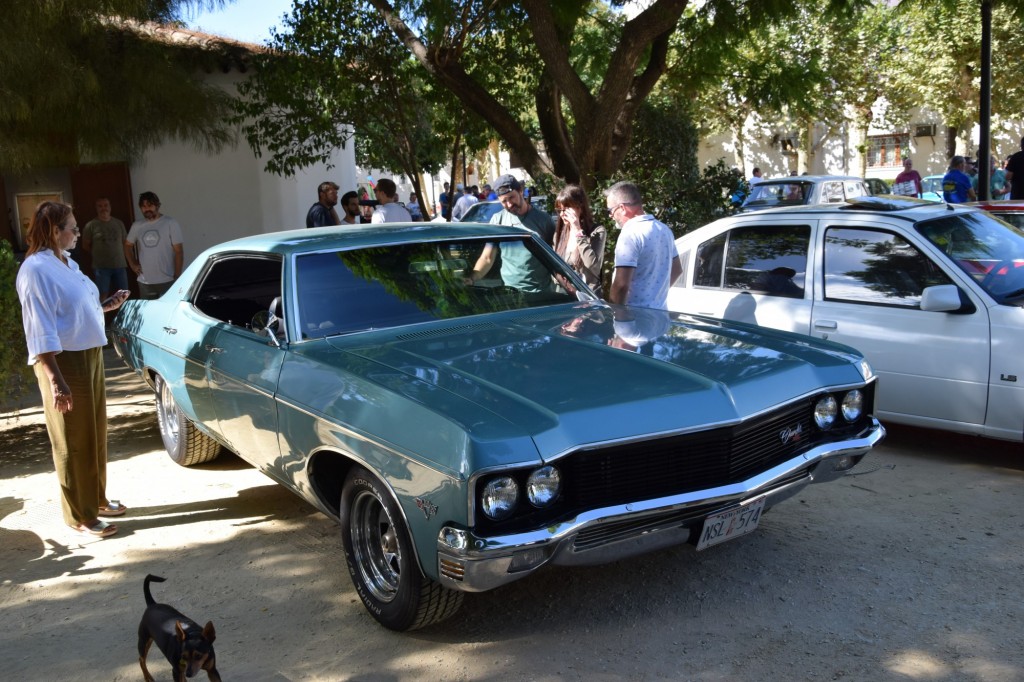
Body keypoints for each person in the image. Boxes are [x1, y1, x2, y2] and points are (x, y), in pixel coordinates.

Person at [16, 201, 131, 539]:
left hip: (89, 354)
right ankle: (80, 514)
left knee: (94, 433)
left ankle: (96, 499)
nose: (78, 233)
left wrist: (103, 306)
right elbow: (39, 326)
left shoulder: (67, 263)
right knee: (73, 439)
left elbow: (72, 309)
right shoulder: (36, 270)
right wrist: (55, 379)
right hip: (62, 361)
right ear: (55, 231)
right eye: (73, 228)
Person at [465, 174, 554, 292]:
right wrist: (472, 279)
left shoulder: (544, 220)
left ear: (520, 191)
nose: (509, 204)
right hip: (510, 292)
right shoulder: (497, 221)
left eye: (511, 197)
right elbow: (487, 257)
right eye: (504, 201)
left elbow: (555, 258)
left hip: (542, 293)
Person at [605, 181, 681, 310]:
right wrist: (654, 295)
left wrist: (615, 313)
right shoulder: (664, 229)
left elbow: (621, 285)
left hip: (635, 317)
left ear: (622, 208)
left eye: (610, 210)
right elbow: (677, 269)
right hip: (660, 315)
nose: (610, 216)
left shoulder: (630, 233)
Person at [124, 191, 184, 299]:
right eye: (143, 206)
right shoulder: (137, 226)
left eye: (150, 205)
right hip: (145, 282)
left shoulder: (170, 223)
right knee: (148, 310)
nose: (147, 209)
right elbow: (127, 246)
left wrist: (177, 276)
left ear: (157, 205)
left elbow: (178, 251)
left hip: (167, 280)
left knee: (167, 308)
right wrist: (132, 264)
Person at [552, 184, 606, 297]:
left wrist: (578, 231)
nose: (562, 214)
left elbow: (593, 266)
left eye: (566, 209)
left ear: (580, 207)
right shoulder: (560, 234)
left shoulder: (597, 231)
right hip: (565, 295)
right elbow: (554, 267)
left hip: (587, 296)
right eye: (559, 210)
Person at [81, 197, 129, 298]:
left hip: (120, 265)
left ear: (110, 207)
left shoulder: (119, 223)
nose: (103, 208)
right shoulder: (91, 225)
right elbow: (85, 245)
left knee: (123, 294)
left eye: (106, 205)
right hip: (101, 268)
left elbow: (125, 243)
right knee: (103, 294)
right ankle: (102, 310)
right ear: (96, 208)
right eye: (100, 206)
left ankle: (122, 310)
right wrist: (97, 254)